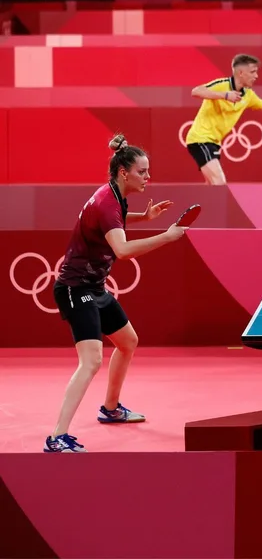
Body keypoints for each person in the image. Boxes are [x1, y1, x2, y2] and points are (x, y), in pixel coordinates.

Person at [45, 135, 189, 453]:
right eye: (142, 171)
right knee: (91, 360)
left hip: (95, 287)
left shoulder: (114, 195)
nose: (148, 177)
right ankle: (56, 437)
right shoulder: (109, 201)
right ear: (124, 172)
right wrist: (165, 236)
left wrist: (145, 218)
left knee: (128, 341)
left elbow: (114, 223)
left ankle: (110, 409)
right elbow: (122, 250)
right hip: (74, 289)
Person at [185, 53, 262, 185]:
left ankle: (197, 205)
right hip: (200, 139)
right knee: (219, 183)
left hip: (214, 142)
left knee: (211, 185)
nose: (256, 76)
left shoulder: (249, 95)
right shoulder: (222, 85)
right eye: (252, 72)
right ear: (241, 73)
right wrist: (224, 95)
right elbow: (195, 92)